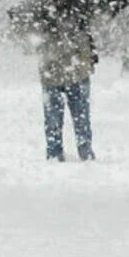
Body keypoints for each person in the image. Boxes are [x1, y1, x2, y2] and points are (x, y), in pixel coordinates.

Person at [31, 8, 97, 162]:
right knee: (78, 118)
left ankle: (59, 153)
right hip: (68, 77)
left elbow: (86, 53)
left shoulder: (45, 23)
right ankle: (80, 152)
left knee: (57, 119)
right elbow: (86, 53)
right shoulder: (80, 21)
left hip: (60, 78)